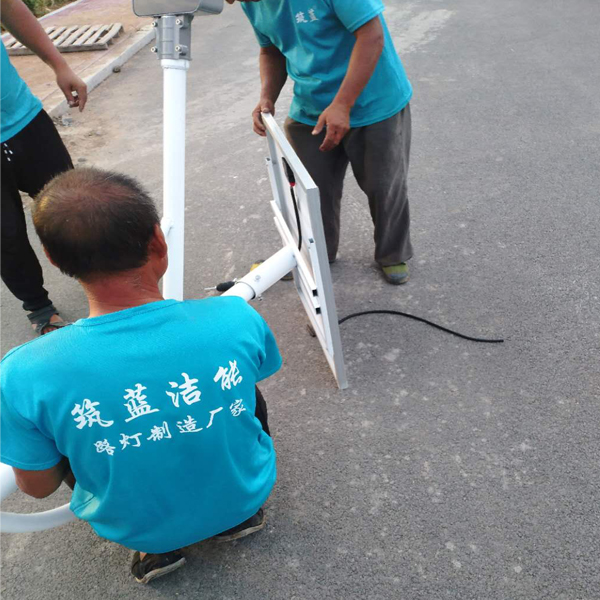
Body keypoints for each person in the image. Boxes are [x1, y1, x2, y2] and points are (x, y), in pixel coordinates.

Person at [0, 168, 282, 584]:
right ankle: (237, 517)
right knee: (237, 385)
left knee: (60, 430)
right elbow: (255, 382)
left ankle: (157, 547)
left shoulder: (24, 372)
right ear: (158, 240)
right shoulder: (234, 316)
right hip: (246, 494)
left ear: (53, 259)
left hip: (134, 526)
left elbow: (38, 487)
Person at [227, 0, 414, 284]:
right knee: (309, 188)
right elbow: (270, 50)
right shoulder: (252, 4)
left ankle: (392, 253)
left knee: (383, 185)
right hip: (311, 106)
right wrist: (267, 96)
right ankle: (313, 252)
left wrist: (343, 104)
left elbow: (372, 36)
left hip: (375, 101)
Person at [1, 0, 87, 335]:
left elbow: (8, 7)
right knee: (5, 236)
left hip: (23, 118)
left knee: (74, 207)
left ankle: (109, 282)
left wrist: (59, 65)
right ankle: (39, 308)